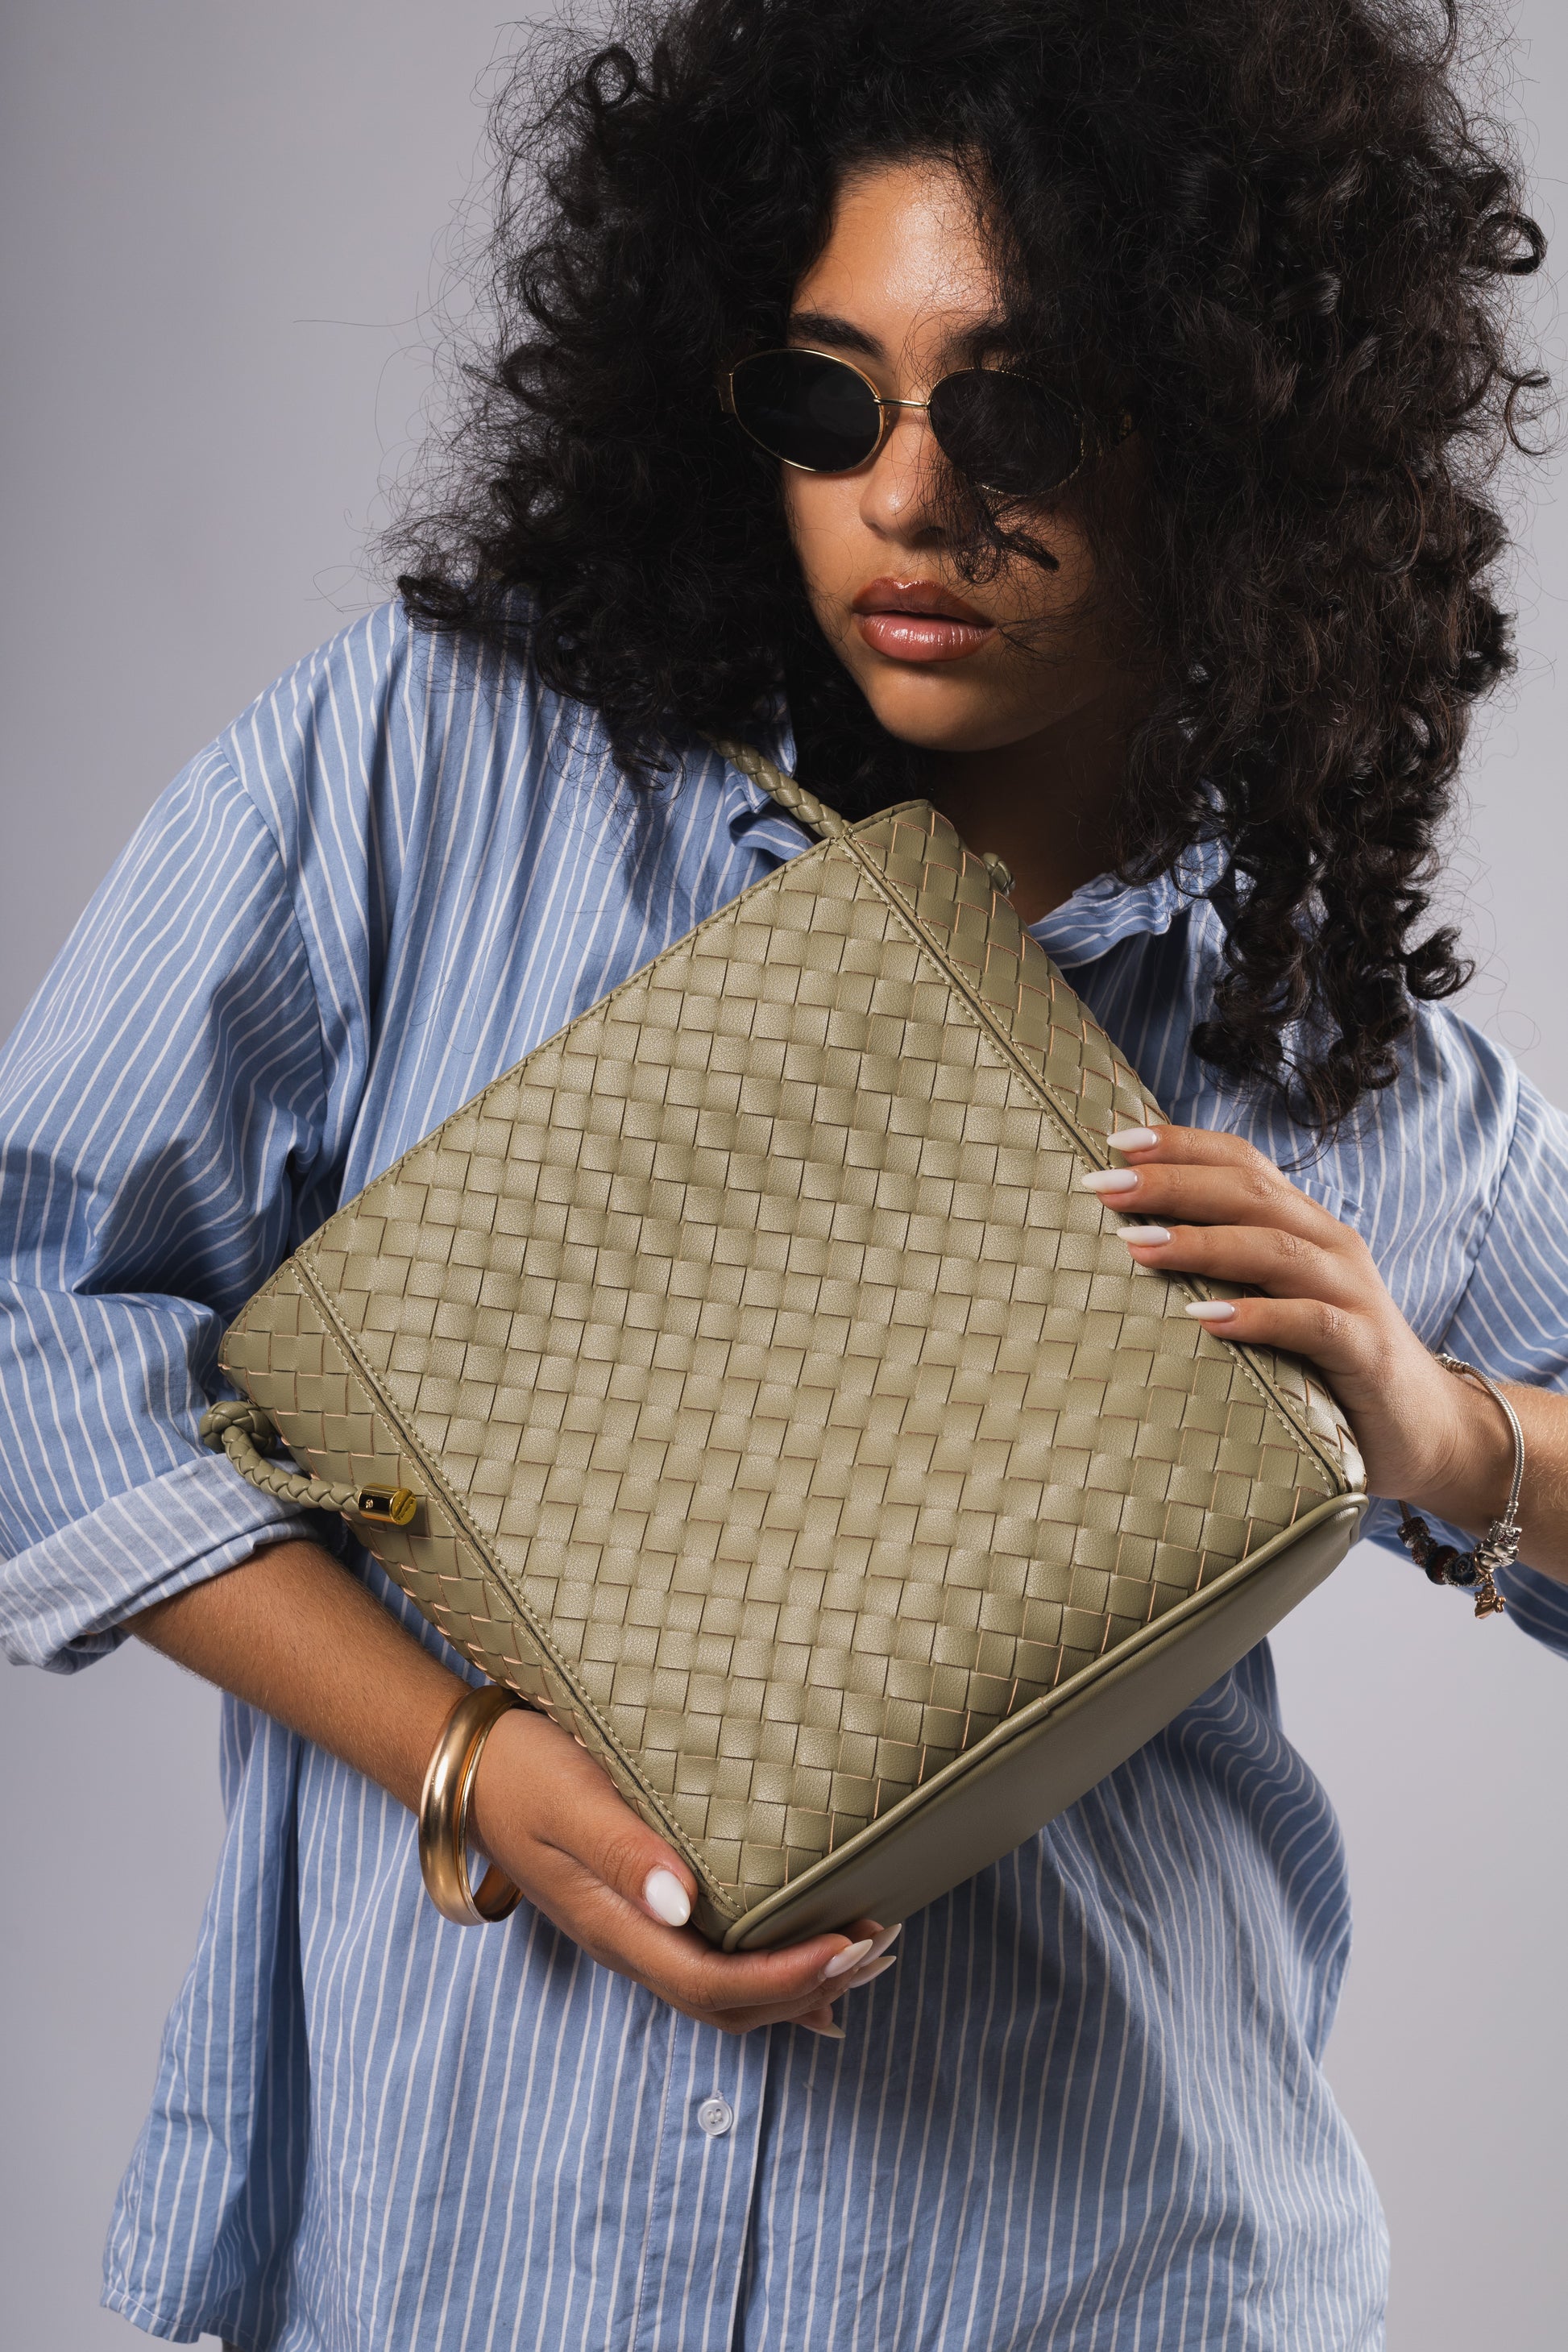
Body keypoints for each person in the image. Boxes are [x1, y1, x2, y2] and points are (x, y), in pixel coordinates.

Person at [3, 1, 1566, 2344]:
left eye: (1016, 412)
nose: (907, 500)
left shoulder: (1328, 1053)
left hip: (1102, 2273)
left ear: (1239, 431)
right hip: (465, 2270)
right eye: (829, 403)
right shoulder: (440, 773)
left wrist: (1440, 1433)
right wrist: (463, 1758)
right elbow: (31, 1305)